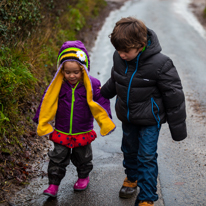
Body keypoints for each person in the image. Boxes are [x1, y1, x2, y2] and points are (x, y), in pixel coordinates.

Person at [100, 17, 187, 206]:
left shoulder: (161, 64)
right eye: (118, 50)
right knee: (129, 150)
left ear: (140, 45)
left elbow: (174, 97)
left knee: (146, 156)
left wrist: (178, 128)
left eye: (126, 51)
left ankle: (147, 197)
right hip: (128, 116)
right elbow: (116, 79)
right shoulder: (119, 57)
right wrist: (101, 95)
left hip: (150, 119)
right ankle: (131, 178)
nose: (121, 55)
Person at [33, 40, 115, 197]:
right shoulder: (57, 86)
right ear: (61, 70)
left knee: (83, 157)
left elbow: (101, 101)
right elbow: (47, 100)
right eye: (67, 72)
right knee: (56, 158)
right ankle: (53, 185)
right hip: (62, 130)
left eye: (76, 72)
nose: (71, 75)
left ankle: (83, 177)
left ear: (83, 69)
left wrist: (106, 120)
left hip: (82, 129)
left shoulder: (91, 84)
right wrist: (40, 118)